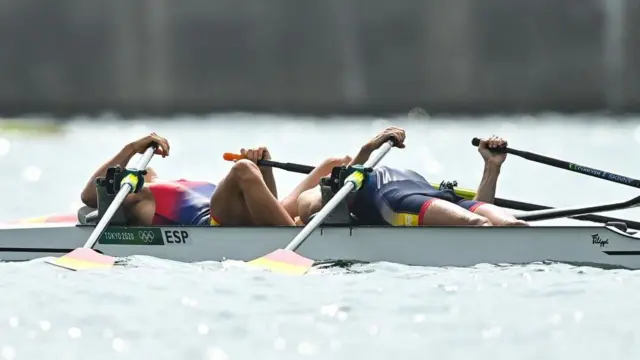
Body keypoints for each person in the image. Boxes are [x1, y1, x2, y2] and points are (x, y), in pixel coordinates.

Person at [80, 133, 351, 227]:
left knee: (334, 164)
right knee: (243, 169)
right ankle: (296, 230)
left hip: (246, 214)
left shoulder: (155, 181)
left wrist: (264, 168)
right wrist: (131, 148)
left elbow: (266, 204)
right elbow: (90, 197)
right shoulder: (135, 197)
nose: (137, 172)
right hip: (213, 223)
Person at [296, 127, 529, 227]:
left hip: (438, 195)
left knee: (512, 224)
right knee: (478, 224)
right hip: (399, 203)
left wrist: (492, 167)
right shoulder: (315, 196)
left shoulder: (359, 173)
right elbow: (323, 204)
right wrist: (368, 147)